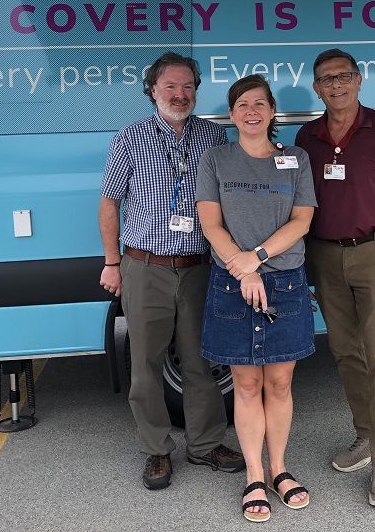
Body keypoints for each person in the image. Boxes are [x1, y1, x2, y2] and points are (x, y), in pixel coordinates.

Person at [98, 52, 245, 491]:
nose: (180, 95)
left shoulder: (214, 137)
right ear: (152, 90)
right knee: (146, 365)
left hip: (201, 267)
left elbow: (232, 200)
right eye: (170, 87)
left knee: (203, 362)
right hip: (146, 267)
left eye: (188, 87)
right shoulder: (130, 138)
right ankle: (157, 451)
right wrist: (111, 263)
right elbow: (110, 203)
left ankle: (204, 446)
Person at [294, 48, 375, 507]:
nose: (336, 85)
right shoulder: (306, 137)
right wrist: (300, 274)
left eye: (343, 76)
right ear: (316, 87)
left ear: (359, 79)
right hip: (325, 259)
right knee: (346, 353)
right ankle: (365, 437)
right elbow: (297, 212)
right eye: (326, 79)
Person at [196, 74, 317, 523]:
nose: (251, 111)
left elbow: (302, 220)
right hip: (232, 284)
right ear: (231, 114)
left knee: (280, 383)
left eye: (260, 104)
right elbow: (211, 225)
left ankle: (279, 469)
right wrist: (242, 268)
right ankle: (253, 474)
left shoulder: (296, 159)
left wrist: (257, 259)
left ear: (272, 112)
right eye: (242, 104)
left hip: (284, 282)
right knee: (246, 385)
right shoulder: (216, 159)